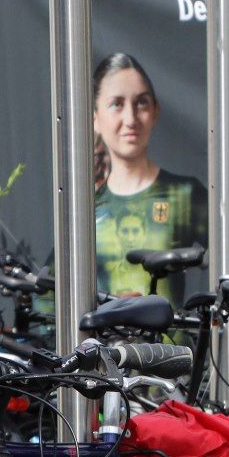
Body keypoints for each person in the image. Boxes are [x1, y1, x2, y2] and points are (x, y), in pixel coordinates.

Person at [91, 53, 208, 300]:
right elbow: (49, 297)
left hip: (173, 340)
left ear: (155, 112)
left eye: (141, 103)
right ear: (95, 119)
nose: (130, 119)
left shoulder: (184, 195)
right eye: (117, 104)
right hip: (106, 340)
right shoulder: (88, 211)